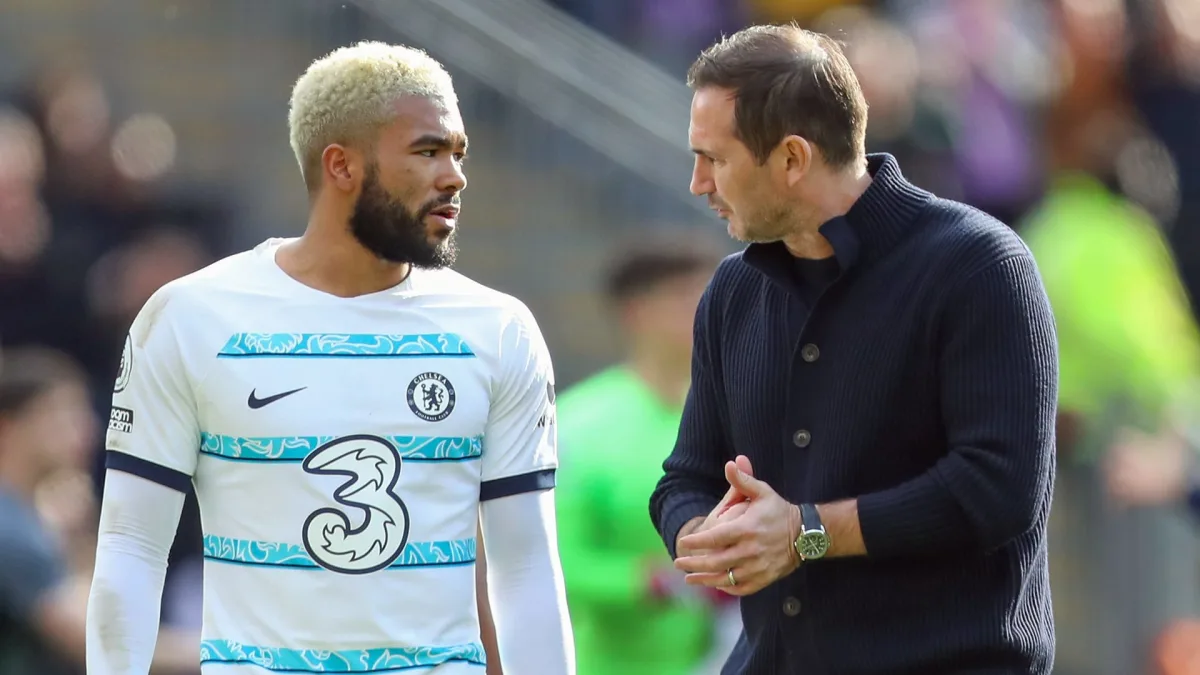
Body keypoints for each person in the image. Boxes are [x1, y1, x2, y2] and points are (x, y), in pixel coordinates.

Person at [85, 41, 575, 675]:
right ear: (341, 166)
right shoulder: (189, 318)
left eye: (459, 153)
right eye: (428, 150)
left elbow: (527, 564)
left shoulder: (499, 329)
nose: (454, 175)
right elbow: (131, 545)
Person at [649, 24, 1058, 674]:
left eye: (714, 158)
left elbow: (997, 488)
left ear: (791, 159)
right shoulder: (732, 290)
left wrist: (804, 531)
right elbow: (685, 477)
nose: (699, 182)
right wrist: (707, 531)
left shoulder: (979, 265)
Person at [554, 237, 735, 675]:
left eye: (707, 294)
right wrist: (655, 582)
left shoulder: (737, 411)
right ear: (636, 312)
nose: (702, 309)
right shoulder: (576, 423)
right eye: (683, 296)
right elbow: (558, 562)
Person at [0, 347, 196, 675]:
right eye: (61, 415)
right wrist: (228, 652)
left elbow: (107, 609)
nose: (87, 430)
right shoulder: (11, 530)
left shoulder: (35, 520)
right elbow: (103, 644)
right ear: (7, 426)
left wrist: (78, 535)